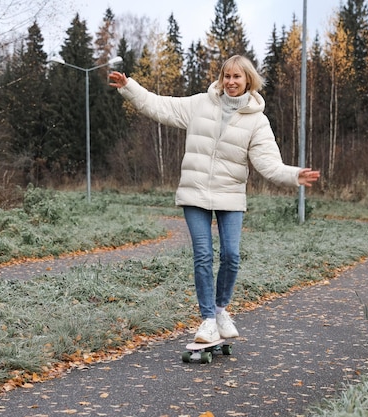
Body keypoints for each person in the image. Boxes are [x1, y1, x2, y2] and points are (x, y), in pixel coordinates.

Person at [109, 55, 320, 344]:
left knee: (231, 256)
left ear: (248, 80)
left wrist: (294, 175)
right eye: (226, 76)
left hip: (230, 196)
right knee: (203, 256)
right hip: (194, 192)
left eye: (237, 77)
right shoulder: (200, 104)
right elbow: (159, 105)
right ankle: (208, 319)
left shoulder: (257, 121)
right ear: (221, 79)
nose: (231, 82)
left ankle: (221, 309)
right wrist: (129, 86)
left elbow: (269, 164)